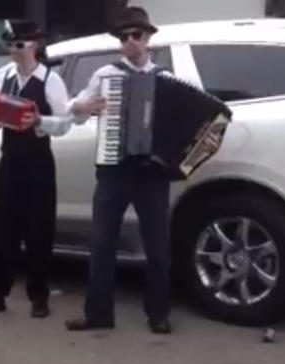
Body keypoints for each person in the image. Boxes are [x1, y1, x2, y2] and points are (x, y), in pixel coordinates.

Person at [64, 7, 173, 334]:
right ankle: (98, 314)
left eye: (136, 35)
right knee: (101, 243)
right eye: (124, 37)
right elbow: (76, 110)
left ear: (148, 37)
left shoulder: (166, 80)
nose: (130, 42)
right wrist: (81, 107)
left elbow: (192, 119)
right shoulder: (105, 76)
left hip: (152, 172)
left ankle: (159, 314)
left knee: (157, 245)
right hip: (114, 169)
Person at [0, 20, 73, 319]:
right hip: (10, 159)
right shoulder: (4, 78)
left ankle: (39, 296)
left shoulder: (50, 81)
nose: (12, 51)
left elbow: (66, 123)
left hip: (39, 161)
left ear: (33, 46)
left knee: (39, 231)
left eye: (18, 45)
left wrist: (40, 122)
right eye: (10, 45)